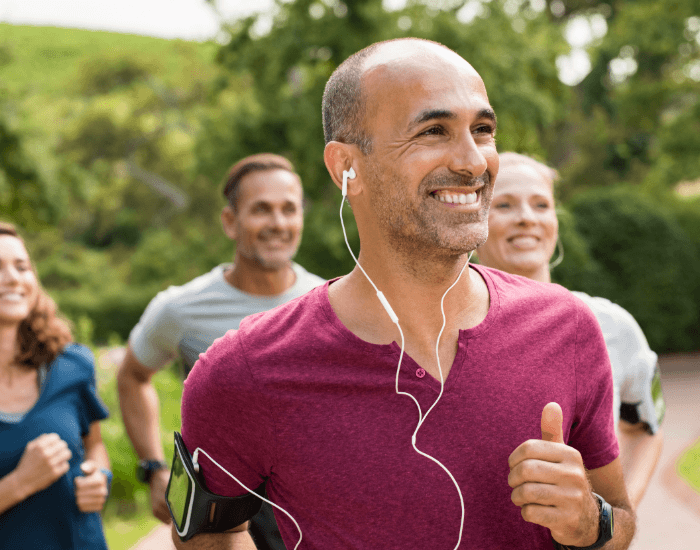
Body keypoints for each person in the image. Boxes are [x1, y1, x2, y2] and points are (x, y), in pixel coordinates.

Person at [177, 39, 636, 549]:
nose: (472, 161)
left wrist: (591, 524)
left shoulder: (567, 328)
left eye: (482, 130)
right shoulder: (243, 371)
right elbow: (206, 539)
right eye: (433, 131)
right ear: (345, 168)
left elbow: (623, 521)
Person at [117, 153, 324, 549]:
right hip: (219, 520)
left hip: (307, 517)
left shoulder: (326, 303)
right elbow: (132, 377)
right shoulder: (181, 309)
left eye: (288, 210)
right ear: (230, 221)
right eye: (261, 210)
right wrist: (154, 468)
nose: (278, 224)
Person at [476, 151, 665, 508]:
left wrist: (612, 522)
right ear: (475, 220)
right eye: (504, 205)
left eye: (541, 205)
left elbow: (645, 429)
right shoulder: (443, 330)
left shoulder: (612, 325)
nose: (527, 219)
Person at [0, 222, 111, 549]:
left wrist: (98, 476)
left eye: (22, 267)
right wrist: (20, 483)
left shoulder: (73, 365)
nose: (14, 278)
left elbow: (94, 445)